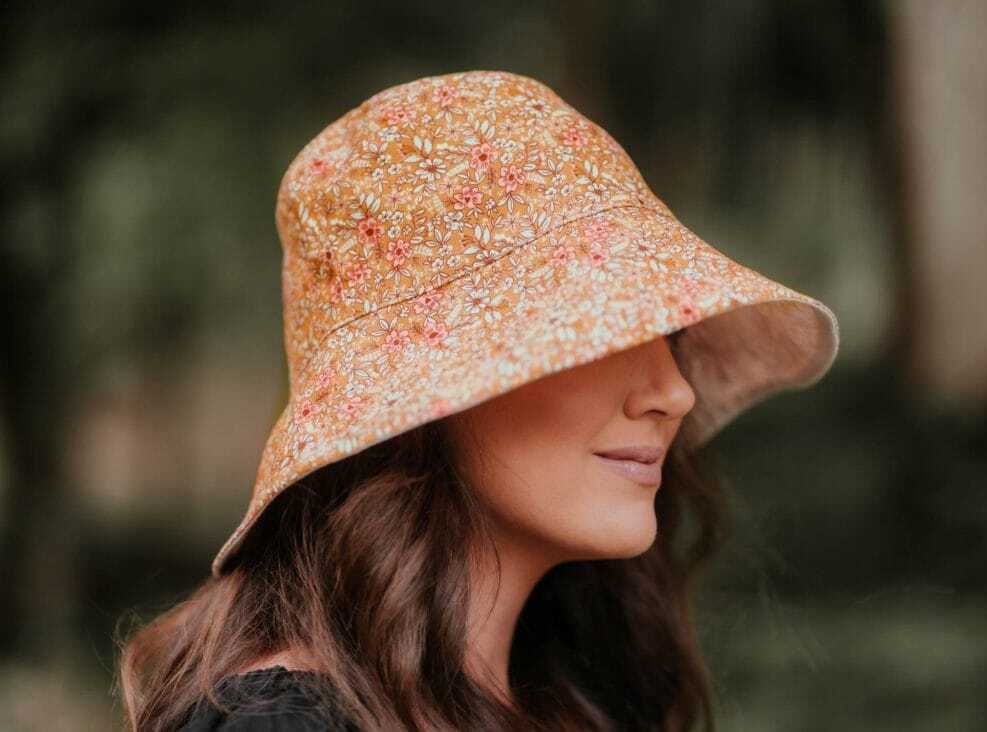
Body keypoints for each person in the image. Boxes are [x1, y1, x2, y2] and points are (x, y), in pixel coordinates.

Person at [115, 70, 840, 732]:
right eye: (601, 328)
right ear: (432, 387)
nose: (674, 391)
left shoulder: (569, 697)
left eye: (667, 330)